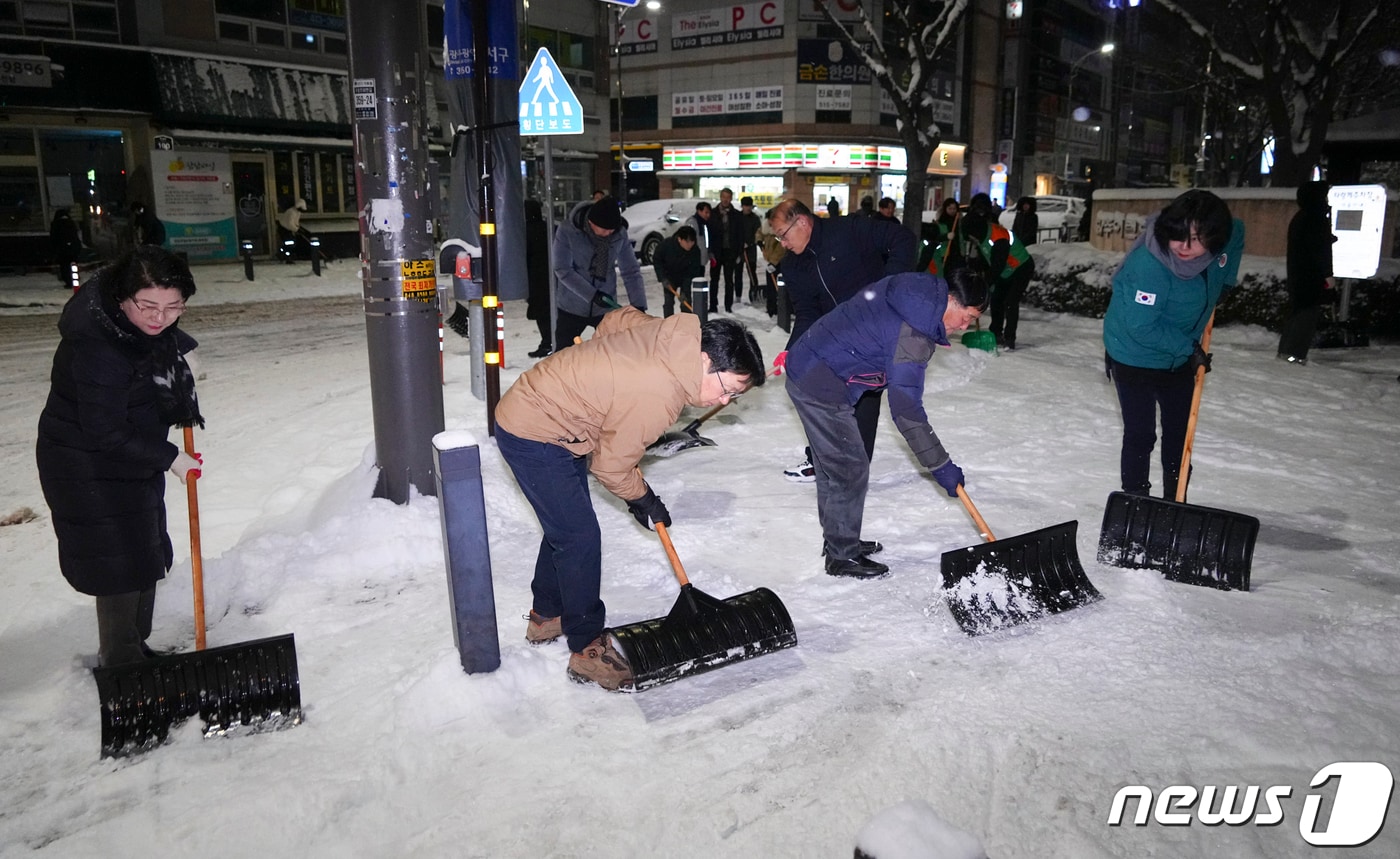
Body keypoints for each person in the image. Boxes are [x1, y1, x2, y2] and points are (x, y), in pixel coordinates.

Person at [494, 308, 765, 690]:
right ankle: (587, 647)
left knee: (567, 526)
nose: (723, 400)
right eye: (727, 389)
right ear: (706, 359)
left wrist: (593, 379)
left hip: (556, 415)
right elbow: (610, 467)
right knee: (580, 537)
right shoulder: (659, 395)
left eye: (734, 397)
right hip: (535, 430)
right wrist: (644, 499)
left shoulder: (671, 337)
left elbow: (618, 320)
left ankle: (547, 615)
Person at [36, 246, 204, 668]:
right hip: (85, 463)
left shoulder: (134, 325)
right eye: (147, 306)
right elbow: (104, 430)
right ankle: (122, 660)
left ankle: (134, 646)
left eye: (173, 307)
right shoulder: (98, 348)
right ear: (121, 297)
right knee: (118, 560)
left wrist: (179, 352)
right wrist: (169, 457)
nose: (158, 318)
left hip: (128, 455)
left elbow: (153, 340)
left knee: (143, 549)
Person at [780, 266, 988, 578]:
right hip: (818, 381)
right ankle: (841, 556)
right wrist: (940, 465)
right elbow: (907, 410)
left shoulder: (918, 294)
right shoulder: (914, 333)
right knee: (849, 466)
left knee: (834, 465)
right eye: (969, 317)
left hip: (815, 362)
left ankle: (839, 539)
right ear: (951, 300)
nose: (967, 325)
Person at [1103, 189, 1244, 501]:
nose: (1185, 247)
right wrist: (1189, 350)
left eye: (1197, 239)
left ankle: (1174, 502)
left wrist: (1226, 282)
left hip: (1179, 357)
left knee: (1180, 436)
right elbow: (1141, 326)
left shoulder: (1220, 242)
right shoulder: (1150, 265)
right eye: (1179, 236)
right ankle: (1136, 502)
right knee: (1141, 434)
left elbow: (1237, 234)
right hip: (1133, 354)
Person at [765, 198, 917, 483]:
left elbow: (902, 238)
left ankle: (853, 469)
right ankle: (821, 459)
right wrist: (792, 350)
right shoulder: (793, 266)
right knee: (814, 391)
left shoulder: (849, 229)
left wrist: (889, 287)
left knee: (864, 398)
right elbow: (807, 313)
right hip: (835, 338)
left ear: (802, 222)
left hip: (876, 330)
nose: (782, 243)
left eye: (783, 235)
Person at [550, 197, 647, 351]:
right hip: (572, 306)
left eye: (612, 229)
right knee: (563, 357)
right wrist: (592, 295)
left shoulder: (619, 234)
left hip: (605, 308)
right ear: (591, 222)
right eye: (604, 229)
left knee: (611, 354)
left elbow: (631, 271)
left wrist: (639, 306)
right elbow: (562, 269)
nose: (609, 233)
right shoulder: (568, 231)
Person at [960, 193, 1035, 350]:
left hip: (1021, 267)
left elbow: (996, 267)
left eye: (971, 237)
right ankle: (996, 333)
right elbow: (985, 260)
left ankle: (1009, 338)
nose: (971, 240)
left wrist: (985, 285)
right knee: (996, 300)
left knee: (1010, 301)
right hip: (1006, 270)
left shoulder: (998, 237)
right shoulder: (982, 236)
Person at [1277, 181, 1336, 366]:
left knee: (1297, 313)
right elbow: (1320, 250)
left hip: (1298, 273)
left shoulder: (1301, 217)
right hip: (1312, 276)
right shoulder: (1317, 218)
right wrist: (1328, 274)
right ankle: (1296, 354)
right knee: (1307, 315)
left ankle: (1286, 351)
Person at [523, 198, 553, 358]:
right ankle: (550, 342)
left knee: (542, 314)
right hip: (552, 276)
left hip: (535, 279)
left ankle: (547, 342)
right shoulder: (549, 228)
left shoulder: (525, 232)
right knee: (551, 311)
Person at [653, 224, 703, 318]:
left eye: (692, 241)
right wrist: (663, 278)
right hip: (669, 276)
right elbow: (657, 260)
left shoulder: (695, 251)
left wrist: (685, 287)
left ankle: (686, 323)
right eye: (687, 241)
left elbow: (694, 270)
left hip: (685, 278)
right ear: (680, 239)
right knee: (668, 302)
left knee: (686, 301)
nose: (690, 244)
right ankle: (668, 323)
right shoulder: (667, 245)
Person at [710, 188, 746, 313]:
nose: (725, 199)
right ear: (720, 197)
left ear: (731, 198)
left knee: (729, 280)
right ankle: (713, 305)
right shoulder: (713, 213)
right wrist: (710, 251)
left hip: (730, 251)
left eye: (728, 197)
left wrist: (739, 252)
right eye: (723, 197)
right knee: (714, 279)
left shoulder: (736, 215)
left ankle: (728, 305)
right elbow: (709, 233)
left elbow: (741, 235)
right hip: (716, 251)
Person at [50, 209, 84, 286]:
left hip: (62, 249)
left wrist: (54, 249)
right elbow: (75, 236)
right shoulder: (71, 223)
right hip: (73, 248)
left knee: (64, 265)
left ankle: (68, 281)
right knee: (73, 264)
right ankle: (75, 278)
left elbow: (53, 238)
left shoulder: (56, 224)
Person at [740, 196, 764, 303]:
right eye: (746, 206)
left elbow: (757, 233)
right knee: (737, 272)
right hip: (739, 249)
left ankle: (754, 293)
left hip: (750, 249)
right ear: (743, 206)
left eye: (749, 206)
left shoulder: (755, 218)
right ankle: (737, 295)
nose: (748, 208)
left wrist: (750, 243)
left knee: (752, 272)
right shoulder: (738, 217)